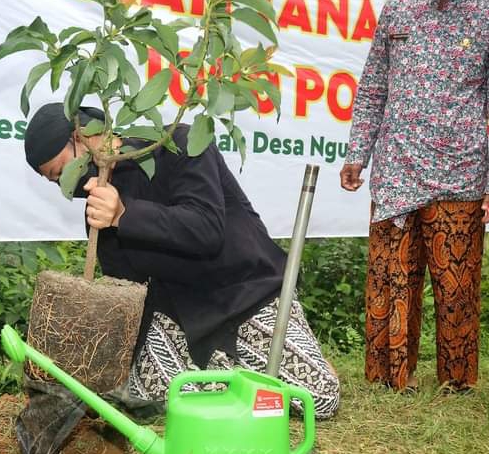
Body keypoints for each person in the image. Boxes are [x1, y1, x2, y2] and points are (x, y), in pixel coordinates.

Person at [23, 102, 340, 420]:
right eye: (55, 181)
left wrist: (125, 215)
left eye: (61, 171)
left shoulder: (182, 144)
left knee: (320, 399)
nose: (64, 183)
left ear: (81, 136)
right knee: (148, 398)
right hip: (179, 316)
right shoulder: (97, 207)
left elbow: (206, 230)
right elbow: (129, 293)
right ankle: (230, 377)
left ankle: (278, 366)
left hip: (245, 293)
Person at [341, 0, 489, 391]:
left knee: (457, 287)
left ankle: (457, 382)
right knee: (389, 279)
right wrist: (357, 154)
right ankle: (388, 378)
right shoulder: (398, 8)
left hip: (460, 172)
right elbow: (374, 86)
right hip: (397, 169)